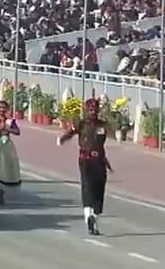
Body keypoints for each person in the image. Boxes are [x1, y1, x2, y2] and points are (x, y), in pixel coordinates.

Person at [57, 98, 113, 235]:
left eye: (95, 108)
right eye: (90, 108)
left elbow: (112, 133)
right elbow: (70, 133)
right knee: (87, 186)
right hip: (85, 160)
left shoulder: (102, 125)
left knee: (99, 188)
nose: (92, 111)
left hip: (99, 159)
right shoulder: (81, 124)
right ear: (86, 110)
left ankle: (94, 219)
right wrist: (62, 139)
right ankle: (88, 216)